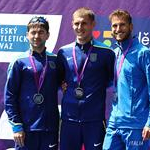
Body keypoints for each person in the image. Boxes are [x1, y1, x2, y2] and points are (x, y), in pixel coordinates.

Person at [57, 7, 115, 150]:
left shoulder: (107, 52)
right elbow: (58, 79)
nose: (80, 27)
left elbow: (111, 80)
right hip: (69, 119)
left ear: (93, 24)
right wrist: (62, 85)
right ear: (72, 24)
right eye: (76, 23)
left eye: (84, 23)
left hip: (94, 120)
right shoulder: (63, 52)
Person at [4, 16, 59, 150]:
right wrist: (17, 126)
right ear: (27, 35)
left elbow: (66, 83)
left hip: (49, 128)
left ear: (47, 35)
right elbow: (9, 97)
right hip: (26, 129)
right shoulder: (19, 62)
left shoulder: (56, 60)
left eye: (41, 32)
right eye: (33, 32)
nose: (36, 36)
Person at [103, 9, 150, 150]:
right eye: (114, 26)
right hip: (114, 123)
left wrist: (149, 123)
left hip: (137, 125)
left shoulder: (143, 53)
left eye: (122, 25)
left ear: (131, 27)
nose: (118, 29)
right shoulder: (114, 53)